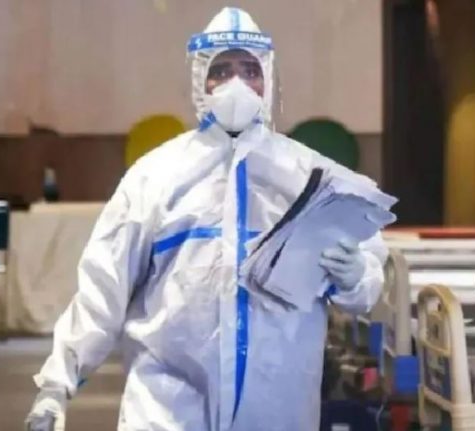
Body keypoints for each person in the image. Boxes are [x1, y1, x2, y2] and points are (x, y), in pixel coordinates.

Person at [25, 7, 388, 431]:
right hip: (167, 409)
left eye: (249, 70)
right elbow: (103, 289)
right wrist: (56, 386)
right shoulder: (155, 177)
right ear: (200, 79)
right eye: (222, 70)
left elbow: (366, 285)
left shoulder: (310, 177)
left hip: (275, 406)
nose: (237, 84)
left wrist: (357, 275)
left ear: (267, 78)